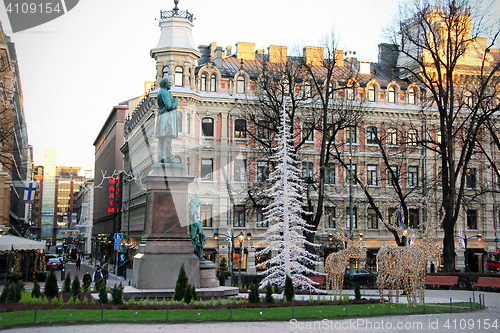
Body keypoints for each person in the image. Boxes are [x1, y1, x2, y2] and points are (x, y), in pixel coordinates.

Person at [155, 76, 179, 164]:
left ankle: (162, 158)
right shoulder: (165, 93)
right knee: (167, 139)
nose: (170, 84)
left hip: (163, 117)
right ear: (165, 84)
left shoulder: (161, 92)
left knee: (162, 140)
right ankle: (169, 158)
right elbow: (169, 106)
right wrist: (176, 102)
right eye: (169, 82)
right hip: (167, 119)